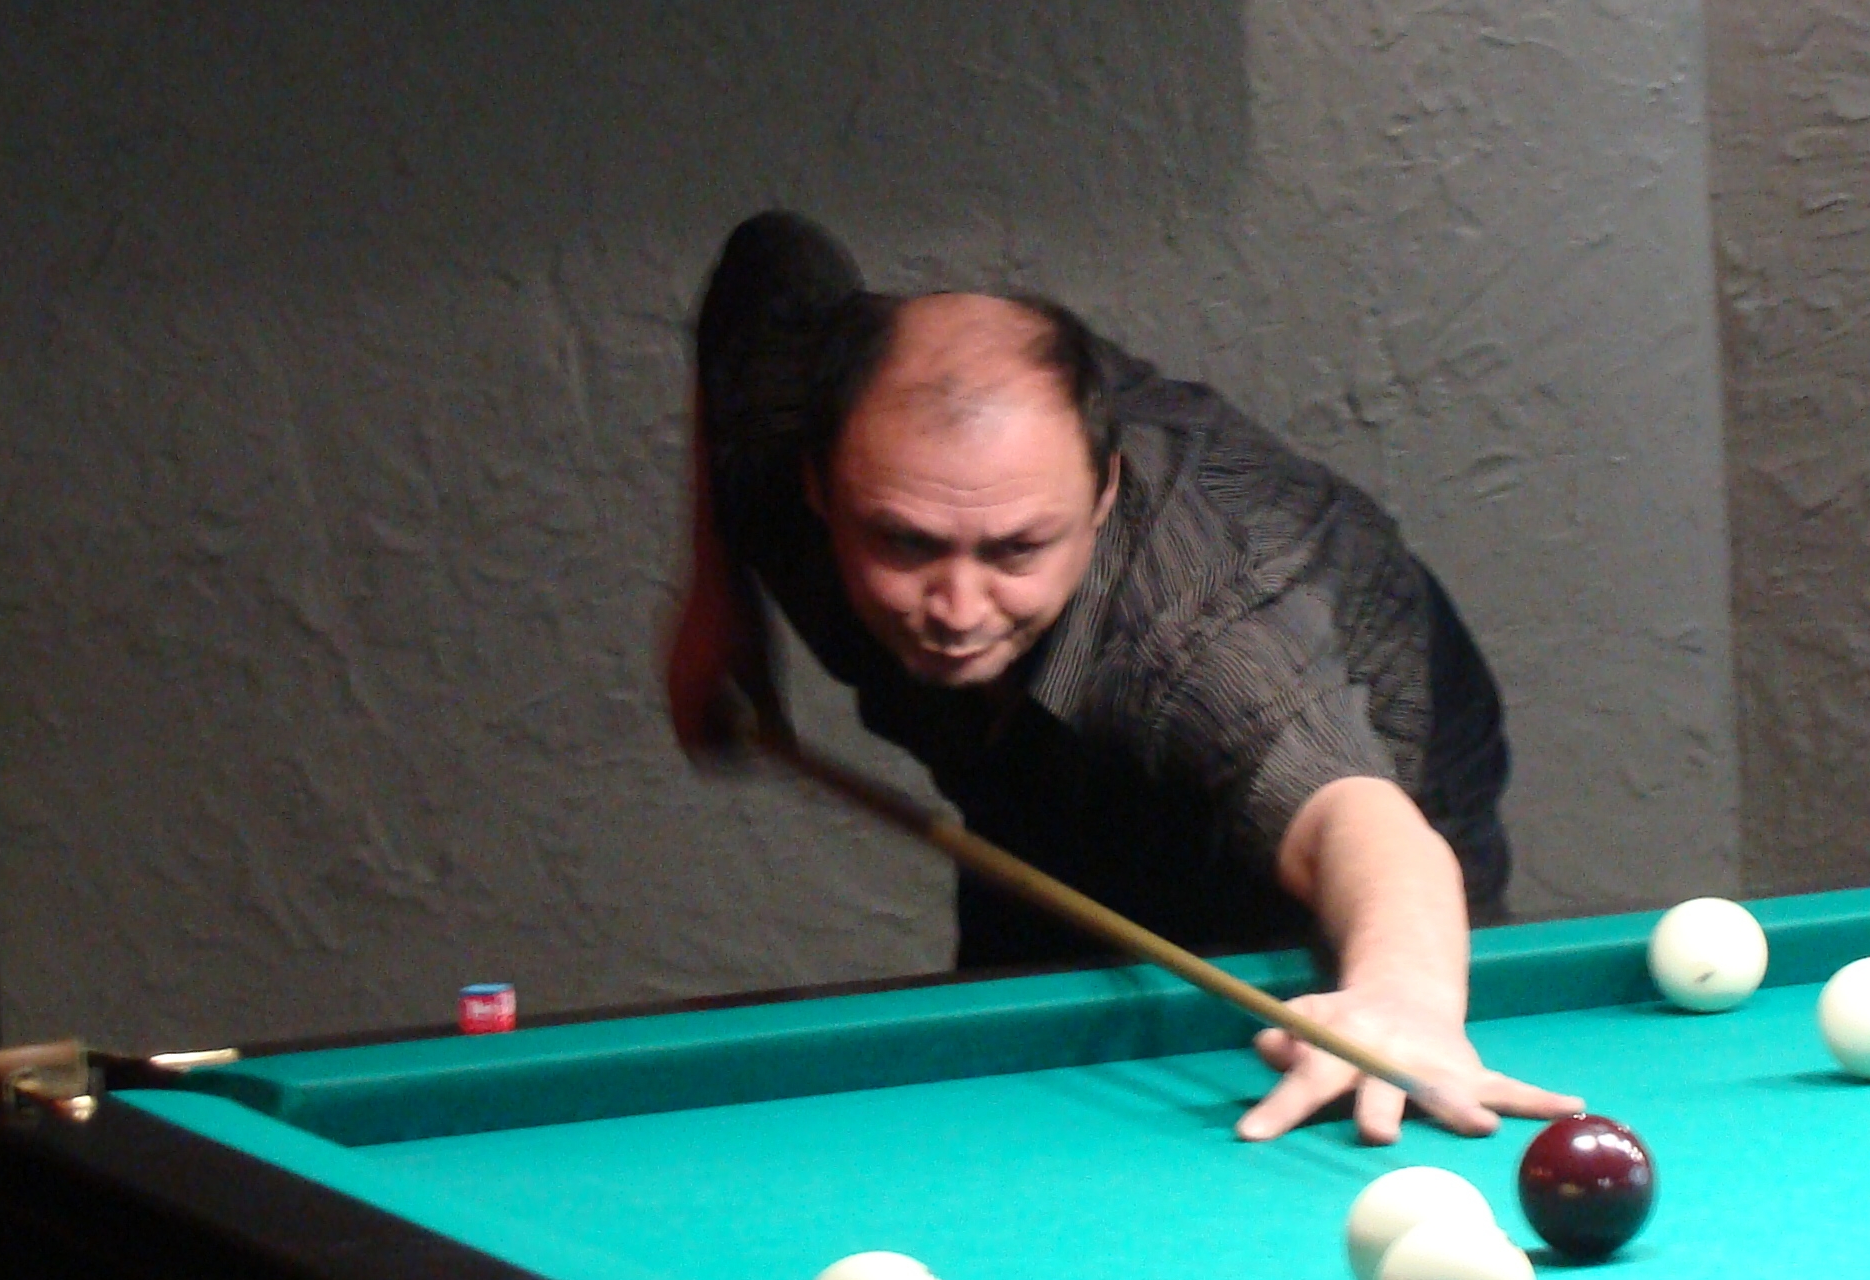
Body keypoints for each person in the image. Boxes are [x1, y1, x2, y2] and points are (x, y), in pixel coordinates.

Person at [666, 210, 1576, 1145]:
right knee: (1024, 1070)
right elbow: (769, 265)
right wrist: (716, 591)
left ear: (1102, 495)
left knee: (1357, 1072)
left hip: (1357, 734)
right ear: (817, 484)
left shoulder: (1197, 636)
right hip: (1047, 767)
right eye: (905, 544)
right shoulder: (783, 412)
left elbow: (1363, 826)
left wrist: (1405, 1000)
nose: (958, 608)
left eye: (1017, 549)